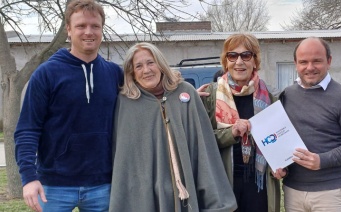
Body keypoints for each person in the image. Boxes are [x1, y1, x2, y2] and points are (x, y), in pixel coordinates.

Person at [14, 0, 123, 211]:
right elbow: (27, 129)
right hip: (54, 186)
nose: (88, 32)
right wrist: (28, 178)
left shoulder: (114, 74)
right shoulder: (46, 74)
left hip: (104, 185)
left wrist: (182, 95)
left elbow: (145, 100)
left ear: (102, 30)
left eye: (95, 26)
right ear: (69, 30)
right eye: (81, 26)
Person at [109, 42, 237, 211]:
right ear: (131, 72)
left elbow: (204, 149)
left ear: (160, 64)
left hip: (186, 191)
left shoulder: (186, 92)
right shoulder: (126, 103)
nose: (146, 70)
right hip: (147, 196)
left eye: (150, 62)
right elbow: (124, 163)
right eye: (138, 66)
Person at [279, 37, 341, 211]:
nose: (310, 67)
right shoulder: (287, 95)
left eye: (317, 61)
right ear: (295, 64)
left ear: (329, 61)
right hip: (292, 189)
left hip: (331, 192)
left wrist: (322, 160)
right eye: (303, 62)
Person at [201, 33, 283, 212]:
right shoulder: (211, 95)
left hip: (259, 184)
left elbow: (279, 140)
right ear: (226, 61)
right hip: (223, 184)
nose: (239, 62)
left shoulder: (269, 95)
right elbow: (202, 142)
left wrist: (281, 165)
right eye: (232, 55)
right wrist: (232, 133)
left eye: (246, 55)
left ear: (255, 60)